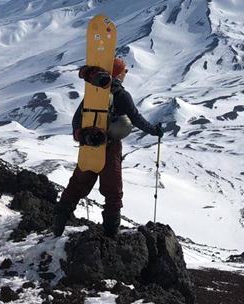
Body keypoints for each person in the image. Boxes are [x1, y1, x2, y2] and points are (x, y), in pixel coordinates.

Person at [53, 57, 163, 237]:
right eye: (124, 71)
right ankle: (111, 234)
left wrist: (81, 136)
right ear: (119, 73)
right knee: (113, 192)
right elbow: (136, 119)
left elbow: (76, 119)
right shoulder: (121, 94)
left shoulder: (94, 92)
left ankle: (57, 226)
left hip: (89, 146)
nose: (126, 74)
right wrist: (154, 131)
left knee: (77, 186)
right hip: (110, 148)